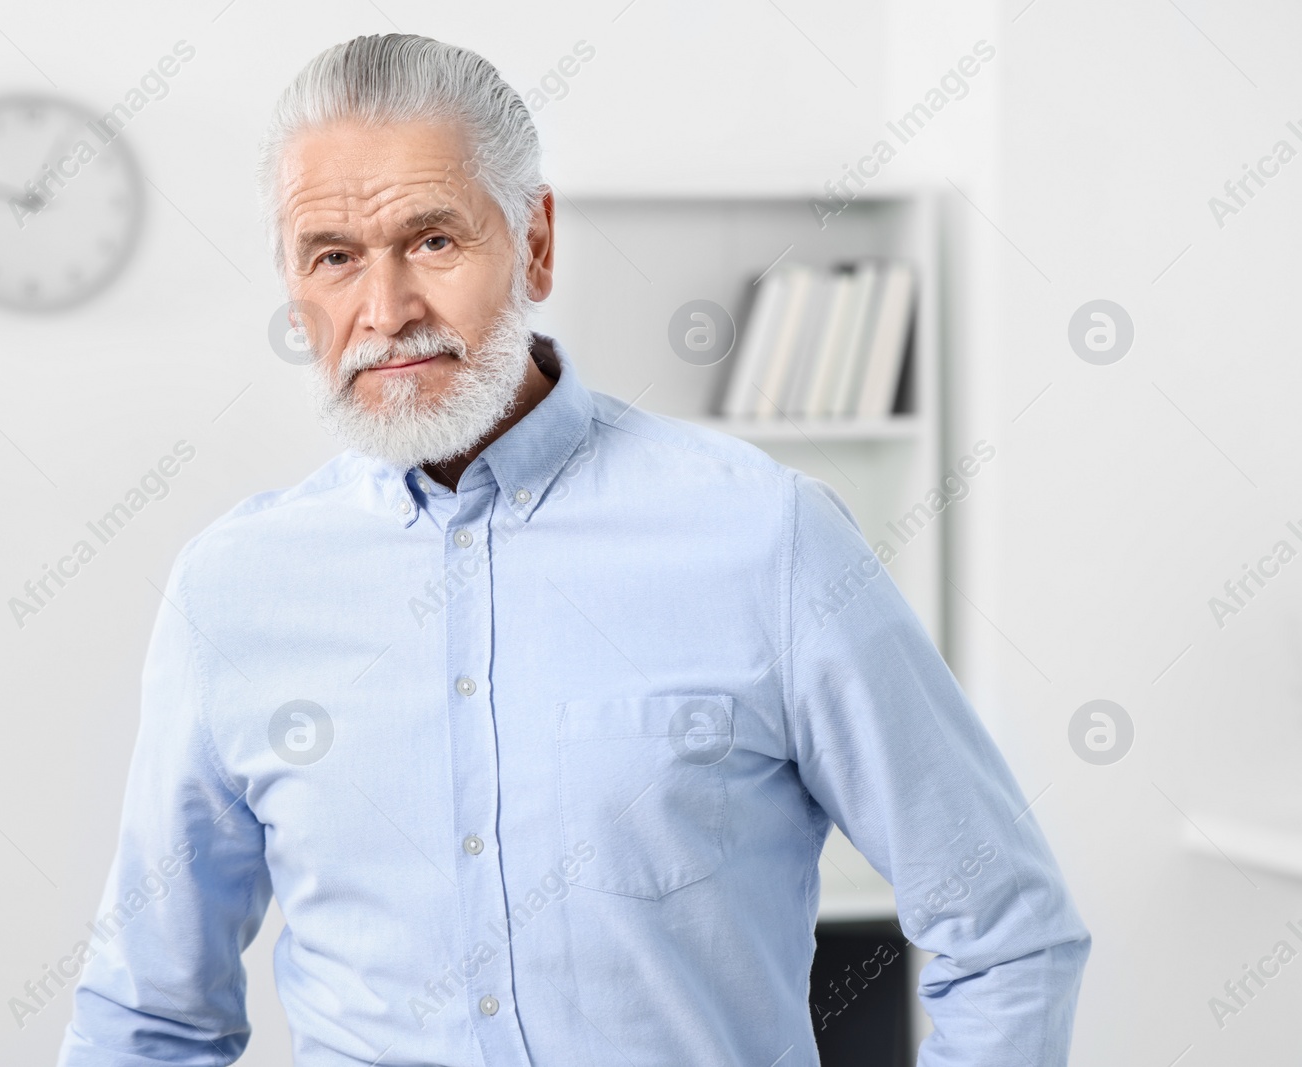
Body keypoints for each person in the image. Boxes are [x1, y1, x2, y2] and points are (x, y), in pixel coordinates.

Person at [58, 33, 1089, 1066]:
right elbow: (147, 1018)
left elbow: (1003, 930)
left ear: (536, 241)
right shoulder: (234, 591)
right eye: (333, 257)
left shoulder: (765, 539)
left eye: (431, 242)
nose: (384, 311)